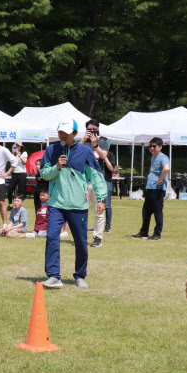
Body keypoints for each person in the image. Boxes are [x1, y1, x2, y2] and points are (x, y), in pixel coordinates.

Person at [40, 118, 107, 289]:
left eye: (66, 133)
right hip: (56, 203)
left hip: (79, 205)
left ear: (75, 134)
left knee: (81, 242)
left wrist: (101, 199)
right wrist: (57, 167)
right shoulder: (51, 150)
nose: (62, 135)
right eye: (60, 132)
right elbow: (45, 174)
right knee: (52, 238)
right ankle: (54, 276)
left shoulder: (85, 152)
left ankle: (80, 275)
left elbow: (97, 176)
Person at [81, 120, 116, 247]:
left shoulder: (102, 143)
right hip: (83, 181)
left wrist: (95, 144)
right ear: (86, 130)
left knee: (99, 211)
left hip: (97, 182)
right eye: (90, 130)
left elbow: (103, 156)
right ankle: (80, 237)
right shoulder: (81, 143)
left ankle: (97, 237)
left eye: (95, 130)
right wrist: (83, 140)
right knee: (80, 211)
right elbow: (73, 154)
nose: (92, 132)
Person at [132, 137, 170, 241]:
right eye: (151, 146)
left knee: (157, 211)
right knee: (146, 211)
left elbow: (166, 168)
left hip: (158, 189)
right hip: (150, 188)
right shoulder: (154, 157)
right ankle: (144, 232)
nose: (152, 148)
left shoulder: (163, 157)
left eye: (154, 146)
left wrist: (160, 180)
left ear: (160, 147)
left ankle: (157, 234)